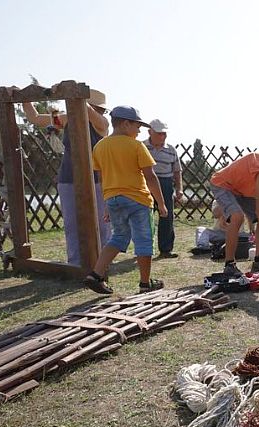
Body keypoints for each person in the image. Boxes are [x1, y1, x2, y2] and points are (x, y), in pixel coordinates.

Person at [84, 106, 168, 295]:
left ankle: (96, 275)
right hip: (138, 199)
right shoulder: (136, 146)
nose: (139, 131)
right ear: (125, 123)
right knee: (144, 240)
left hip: (113, 199)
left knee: (119, 237)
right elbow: (150, 176)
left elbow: (104, 176)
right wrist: (161, 203)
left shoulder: (100, 146)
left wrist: (108, 204)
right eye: (137, 126)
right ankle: (145, 283)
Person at [21, 89, 111, 265]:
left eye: (101, 110)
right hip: (68, 177)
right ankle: (76, 262)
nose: (101, 112)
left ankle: (103, 262)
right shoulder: (67, 118)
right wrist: (26, 99)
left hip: (97, 179)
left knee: (102, 223)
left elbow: (87, 111)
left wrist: (66, 91)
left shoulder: (102, 123)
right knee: (72, 224)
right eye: (99, 109)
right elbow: (36, 118)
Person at [143, 119, 183, 258]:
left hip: (166, 183)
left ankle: (165, 249)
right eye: (159, 133)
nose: (162, 136)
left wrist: (179, 188)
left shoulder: (171, 150)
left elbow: (177, 171)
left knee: (166, 216)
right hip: (145, 183)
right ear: (150, 132)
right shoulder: (142, 147)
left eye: (164, 133)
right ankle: (145, 250)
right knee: (145, 217)